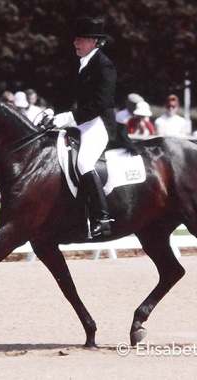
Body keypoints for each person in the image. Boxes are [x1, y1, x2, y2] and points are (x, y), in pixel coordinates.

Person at [53, 17, 134, 237]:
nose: (74, 43)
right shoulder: (81, 63)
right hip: (82, 122)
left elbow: (101, 103)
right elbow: (69, 96)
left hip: (99, 123)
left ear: (92, 41)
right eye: (75, 39)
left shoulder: (104, 65)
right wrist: (54, 114)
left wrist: (70, 118)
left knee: (83, 161)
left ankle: (103, 217)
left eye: (79, 39)